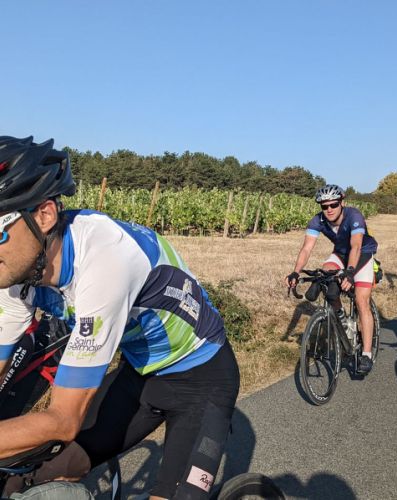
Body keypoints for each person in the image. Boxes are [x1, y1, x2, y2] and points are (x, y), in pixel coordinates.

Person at [0, 136, 240, 500]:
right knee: (44, 472)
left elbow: (63, 420)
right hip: (139, 374)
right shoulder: (15, 270)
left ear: (44, 216)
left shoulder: (105, 259)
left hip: (203, 381)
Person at [286, 184, 378, 374]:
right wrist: (295, 271)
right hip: (340, 254)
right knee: (325, 274)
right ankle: (341, 317)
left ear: (342, 203)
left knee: (361, 301)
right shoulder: (317, 220)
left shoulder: (354, 216)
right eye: (324, 206)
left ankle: (367, 354)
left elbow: (356, 245)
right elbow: (306, 248)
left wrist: (350, 272)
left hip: (362, 254)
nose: (329, 209)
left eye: (333, 205)